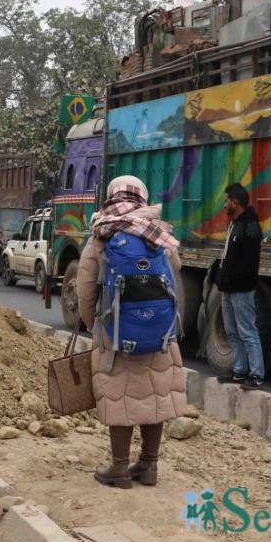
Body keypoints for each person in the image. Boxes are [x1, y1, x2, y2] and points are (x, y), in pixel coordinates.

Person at [78, 175, 186, 489]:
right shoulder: (156, 231)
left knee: (120, 396)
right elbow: (175, 268)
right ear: (142, 196)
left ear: (112, 195)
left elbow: (85, 287)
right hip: (160, 333)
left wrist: (91, 323)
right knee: (156, 395)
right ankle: (149, 465)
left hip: (116, 333)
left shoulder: (102, 232)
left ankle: (120, 468)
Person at [215, 183, 264, 390]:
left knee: (247, 331)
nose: (225, 204)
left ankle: (256, 375)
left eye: (226, 200)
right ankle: (239, 371)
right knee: (232, 331)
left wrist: (232, 280)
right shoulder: (235, 223)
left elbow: (249, 262)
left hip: (241, 289)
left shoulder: (250, 225)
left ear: (235, 202)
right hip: (228, 288)